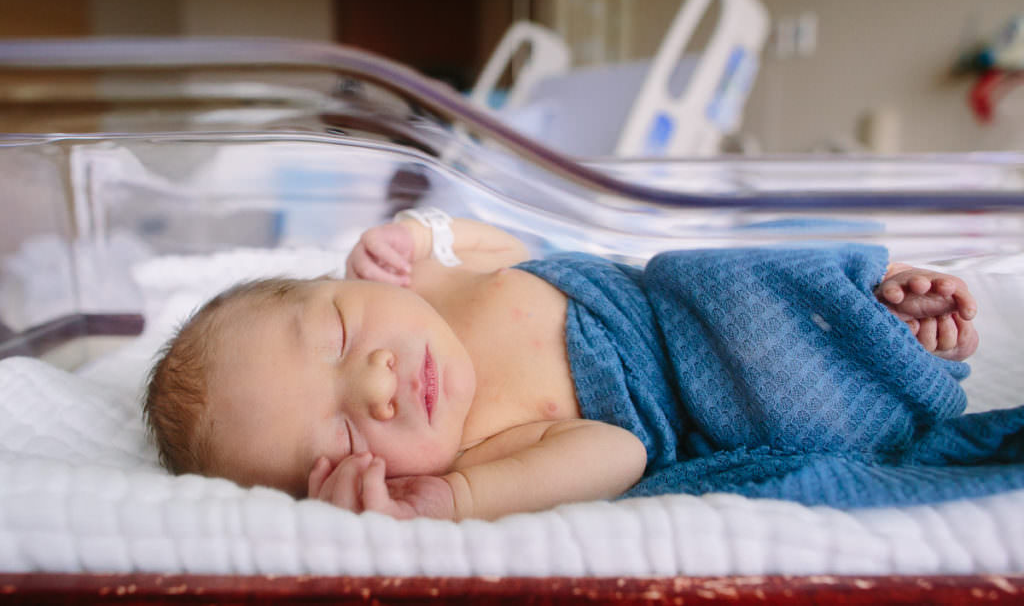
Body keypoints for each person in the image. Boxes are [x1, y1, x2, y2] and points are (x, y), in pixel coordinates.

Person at [145, 209, 986, 521]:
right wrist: (454, 500)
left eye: (332, 336)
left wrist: (425, 234)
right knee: (780, 407)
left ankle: (880, 309)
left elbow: (521, 245)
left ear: (339, 279)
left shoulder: (424, 282)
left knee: (707, 265)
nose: (374, 381)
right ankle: (892, 367)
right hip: (719, 396)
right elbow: (620, 454)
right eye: (337, 433)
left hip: (676, 303)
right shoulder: (472, 455)